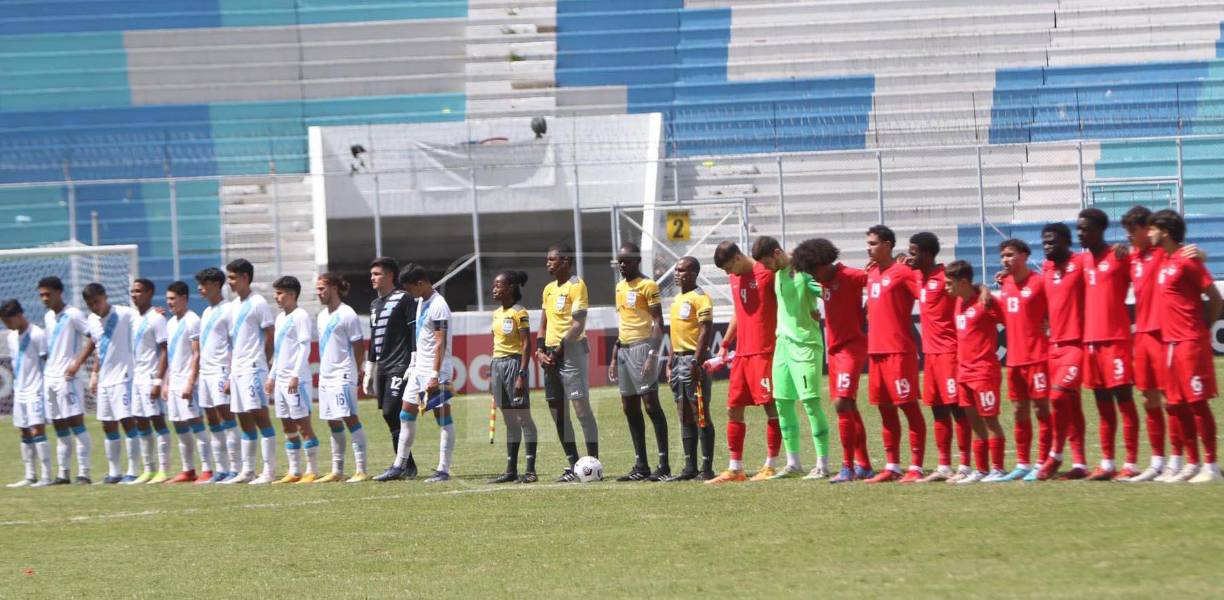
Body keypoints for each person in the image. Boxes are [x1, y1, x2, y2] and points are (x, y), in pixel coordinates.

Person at [1120, 206, 1204, 482]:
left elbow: (1187, 255)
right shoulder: (1132, 256)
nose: (1129, 236)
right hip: (1142, 334)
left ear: (1148, 230)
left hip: (1165, 334)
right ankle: (1157, 461)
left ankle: (1178, 460)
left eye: (1133, 231)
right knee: (1147, 398)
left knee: (1172, 400)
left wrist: (1201, 253)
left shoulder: (1164, 253)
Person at [1147, 209, 1222, 483]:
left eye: (1152, 229)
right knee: (1176, 405)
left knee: (1197, 404)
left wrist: (1203, 328)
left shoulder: (1187, 262)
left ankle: (1211, 467)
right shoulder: (1165, 260)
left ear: (1165, 232)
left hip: (1190, 342)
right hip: (1170, 344)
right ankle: (1192, 463)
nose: (1148, 234)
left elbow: (1214, 297)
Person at [792, 238, 874, 483]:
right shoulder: (824, 281)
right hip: (835, 351)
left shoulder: (849, 275)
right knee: (848, 406)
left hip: (852, 348)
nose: (813, 277)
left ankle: (847, 467)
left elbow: (879, 281)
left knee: (841, 404)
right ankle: (865, 465)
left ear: (823, 263)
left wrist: (870, 306)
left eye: (813, 271)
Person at [706, 240, 782, 484]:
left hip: (765, 352)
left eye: (728, 267)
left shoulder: (768, 272)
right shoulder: (735, 278)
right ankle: (735, 468)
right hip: (742, 353)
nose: (728, 273)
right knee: (733, 408)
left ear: (738, 258)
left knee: (771, 406)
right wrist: (725, 345)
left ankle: (771, 465)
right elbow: (739, 312)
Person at [754, 236, 830, 480]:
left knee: (810, 403)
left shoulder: (804, 273)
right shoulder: (778, 275)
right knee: (782, 403)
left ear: (776, 253)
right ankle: (793, 463)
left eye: (767, 262)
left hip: (806, 347)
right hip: (783, 348)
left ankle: (822, 464)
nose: (765, 269)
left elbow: (830, 289)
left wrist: (817, 310)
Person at [1076, 208, 1142, 480]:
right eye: (1078, 228)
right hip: (1091, 343)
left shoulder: (1120, 255)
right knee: (1102, 405)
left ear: (1100, 230)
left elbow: (1148, 262)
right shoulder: (1081, 261)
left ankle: (1132, 463)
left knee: (1124, 402)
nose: (1080, 233)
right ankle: (1107, 463)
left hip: (1116, 341)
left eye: (1086, 228)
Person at [374, 264, 455, 483]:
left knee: (443, 418)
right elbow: (422, 338)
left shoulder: (439, 305)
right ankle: (399, 465)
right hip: (419, 369)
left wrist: (435, 375)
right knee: (405, 414)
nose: (409, 294)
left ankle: (443, 469)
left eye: (411, 289)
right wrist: (414, 363)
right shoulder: (420, 302)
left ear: (421, 283)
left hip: (436, 371)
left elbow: (440, 343)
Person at [905, 232, 971, 483]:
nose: (910, 256)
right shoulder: (917, 277)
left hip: (949, 353)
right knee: (938, 410)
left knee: (957, 409)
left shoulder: (945, 277)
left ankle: (964, 465)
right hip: (930, 356)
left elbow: (969, 292)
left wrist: (985, 289)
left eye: (914, 252)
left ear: (927, 253)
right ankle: (944, 465)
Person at [863, 225, 927, 483]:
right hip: (876, 351)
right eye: (868, 243)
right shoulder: (872, 273)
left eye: (874, 243)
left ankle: (917, 467)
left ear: (888, 245)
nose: (869, 248)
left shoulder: (902, 272)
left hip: (899, 351)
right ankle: (892, 466)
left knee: (908, 406)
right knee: (885, 409)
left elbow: (925, 295)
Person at [535, 243, 600, 483]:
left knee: (581, 410)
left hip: (571, 352)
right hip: (551, 354)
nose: (548, 263)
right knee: (557, 412)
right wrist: (540, 349)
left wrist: (559, 350)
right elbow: (542, 323)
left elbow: (578, 324)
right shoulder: (549, 289)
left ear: (566, 260)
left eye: (552, 259)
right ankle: (573, 465)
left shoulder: (577, 285)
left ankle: (593, 464)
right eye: (547, 259)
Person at [65, 283, 140, 484]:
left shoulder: (124, 314)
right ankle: (114, 473)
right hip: (105, 380)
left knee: (127, 422)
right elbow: (99, 347)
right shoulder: (92, 320)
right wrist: (95, 374)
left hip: (124, 378)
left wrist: (157, 314)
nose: (95, 307)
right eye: (90, 304)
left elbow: (144, 322)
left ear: (105, 297)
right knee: (108, 425)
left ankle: (133, 471)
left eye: (97, 302)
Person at [608, 243, 670, 481]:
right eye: (619, 262)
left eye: (626, 261)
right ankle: (641, 465)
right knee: (629, 407)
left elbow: (658, 322)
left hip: (643, 348)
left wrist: (653, 355)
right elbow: (624, 322)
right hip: (624, 349)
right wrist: (615, 353)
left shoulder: (648, 285)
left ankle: (663, 466)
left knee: (651, 404)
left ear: (637, 261)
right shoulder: (620, 287)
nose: (622, 265)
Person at [995, 239, 1053, 482]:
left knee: (1041, 409)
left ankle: (1042, 462)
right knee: (1019, 411)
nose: (1005, 259)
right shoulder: (1005, 283)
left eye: (1010, 255)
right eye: (1003, 256)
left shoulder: (1040, 283)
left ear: (1025, 255)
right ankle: (1022, 463)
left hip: (1038, 357)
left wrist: (1050, 324)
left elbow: (1057, 308)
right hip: (1015, 359)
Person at [1036, 223, 1089, 480]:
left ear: (1067, 242)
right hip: (1053, 346)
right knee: (1071, 403)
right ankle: (1080, 464)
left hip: (1076, 345)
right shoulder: (1047, 269)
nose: (1047, 246)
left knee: (1058, 398)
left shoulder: (1081, 263)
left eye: (1052, 241)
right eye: (1044, 242)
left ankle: (1055, 455)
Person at [946, 261, 1007, 484]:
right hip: (963, 373)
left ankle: (998, 469)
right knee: (974, 423)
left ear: (963, 282)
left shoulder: (985, 303)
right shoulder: (958, 303)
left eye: (949, 283)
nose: (946, 287)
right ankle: (981, 469)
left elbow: (1011, 319)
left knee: (990, 421)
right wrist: (982, 287)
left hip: (984, 372)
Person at [223, 259, 278, 485]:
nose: (229, 282)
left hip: (254, 368)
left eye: (233, 278)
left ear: (245, 277)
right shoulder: (233, 306)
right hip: (237, 370)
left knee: (260, 417)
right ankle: (247, 470)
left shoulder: (258, 303)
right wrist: (230, 373)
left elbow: (270, 335)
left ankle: (268, 471)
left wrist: (262, 363)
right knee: (243, 418)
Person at [663, 257, 717, 481]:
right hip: (678, 362)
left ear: (694, 272)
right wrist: (669, 362)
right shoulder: (677, 299)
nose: (677, 274)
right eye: (676, 270)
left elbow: (705, 332)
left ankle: (706, 468)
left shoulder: (700, 298)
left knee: (700, 412)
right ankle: (689, 467)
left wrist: (696, 362)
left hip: (694, 361)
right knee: (684, 413)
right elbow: (676, 334)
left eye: (682, 270)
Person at [314, 273, 370, 483]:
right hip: (326, 375)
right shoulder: (321, 316)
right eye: (317, 289)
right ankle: (337, 470)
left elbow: (358, 346)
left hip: (343, 374)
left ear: (334, 288)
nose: (318, 293)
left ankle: (361, 469)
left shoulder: (347, 314)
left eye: (322, 289)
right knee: (332, 421)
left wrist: (356, 372)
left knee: (350, 417)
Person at [364, 257, 417, 478]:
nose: (372, 278)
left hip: (399, 365)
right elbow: (374, 337)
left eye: (377, 274)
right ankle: (406, 465)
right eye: (372, 274)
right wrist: (370, 368)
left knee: (392, 411)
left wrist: (413, 359)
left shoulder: (404, 299)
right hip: (383, 367)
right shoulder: (374, 305)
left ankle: (401, 465)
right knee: (388, 415)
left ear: (390, 276)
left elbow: (413, 330)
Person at [37, 276, 92, 484]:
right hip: (50, 377)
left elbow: (92, 337)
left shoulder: (73, 314)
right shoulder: (48, 317)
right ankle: (63, 473)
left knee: (76, 423)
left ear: (59, 293)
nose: (44, 299)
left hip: (68, 378)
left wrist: (77, 363)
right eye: (41, 295)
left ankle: (84, 473)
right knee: (59, 425)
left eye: (47, 294)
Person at [266, 276, 320, 484]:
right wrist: (272, 376)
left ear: (291, 294)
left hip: (297, 381)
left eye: (279, 293)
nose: (276, 297)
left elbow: (304, 346)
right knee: (287, 426)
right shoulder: (280, 318)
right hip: (280, 380)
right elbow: (279, 352)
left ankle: (312, 470)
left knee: (302, 425)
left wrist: (295, 374)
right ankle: (294, 471)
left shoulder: (300, 316)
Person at [487, 270, 540, 484]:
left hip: (513, 364)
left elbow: (527, 344)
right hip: (497, 365)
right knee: (509, 420)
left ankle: (530, 470)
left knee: (523, 417)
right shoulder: (497, 313)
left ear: (510, 288)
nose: (494, 289)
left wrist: (522, 374)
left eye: (498, 285)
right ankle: (511, 470)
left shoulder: (520, 313)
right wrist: (492, 374)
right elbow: (496, 343)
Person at [194, 267, 239, 483]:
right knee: (211, 419)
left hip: (221, 370)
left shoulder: (228, 309)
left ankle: (236, 467)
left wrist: (231, 374)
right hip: (206, 372)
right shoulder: (206, 312)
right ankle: (220, 469)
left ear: (215, 284)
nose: (199, 288)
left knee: (227, 418)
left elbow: (235, 342)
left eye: (203, 284)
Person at [163, 281, 211, 483]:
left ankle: (207, 470)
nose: (169, 303)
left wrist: (191, 382)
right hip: (173, 382)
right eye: (168, 299)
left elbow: (197, 353)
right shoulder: (171, 322)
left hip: (187, 381)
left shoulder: (192, 320)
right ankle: (188, 469)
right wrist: (166, 381)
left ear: (184, 299)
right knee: (178, 424)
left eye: (173, 299)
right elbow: (171, 355)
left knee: (195, 422)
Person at [2, 300, 52, 488]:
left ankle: (46, 477)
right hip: (20, 390)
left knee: (37, 430)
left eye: (8, 321)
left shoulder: (37, 334)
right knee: (24, 431)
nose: (7, 326)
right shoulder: (12, 337)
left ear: (18, 316)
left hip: (36, 389)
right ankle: (30, 475)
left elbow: (46, 361)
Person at [129, 278, 171, 484]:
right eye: (133, 291)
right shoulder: (134, 317)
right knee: (140, 421)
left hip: (150, 377)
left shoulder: (157, 318)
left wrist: (157, 381)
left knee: (157, 420)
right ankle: (149, 469)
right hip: (137, 377)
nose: (134, 294)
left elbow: (165, 350)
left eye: (139, 291)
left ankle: (163, 470)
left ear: (150, 293)